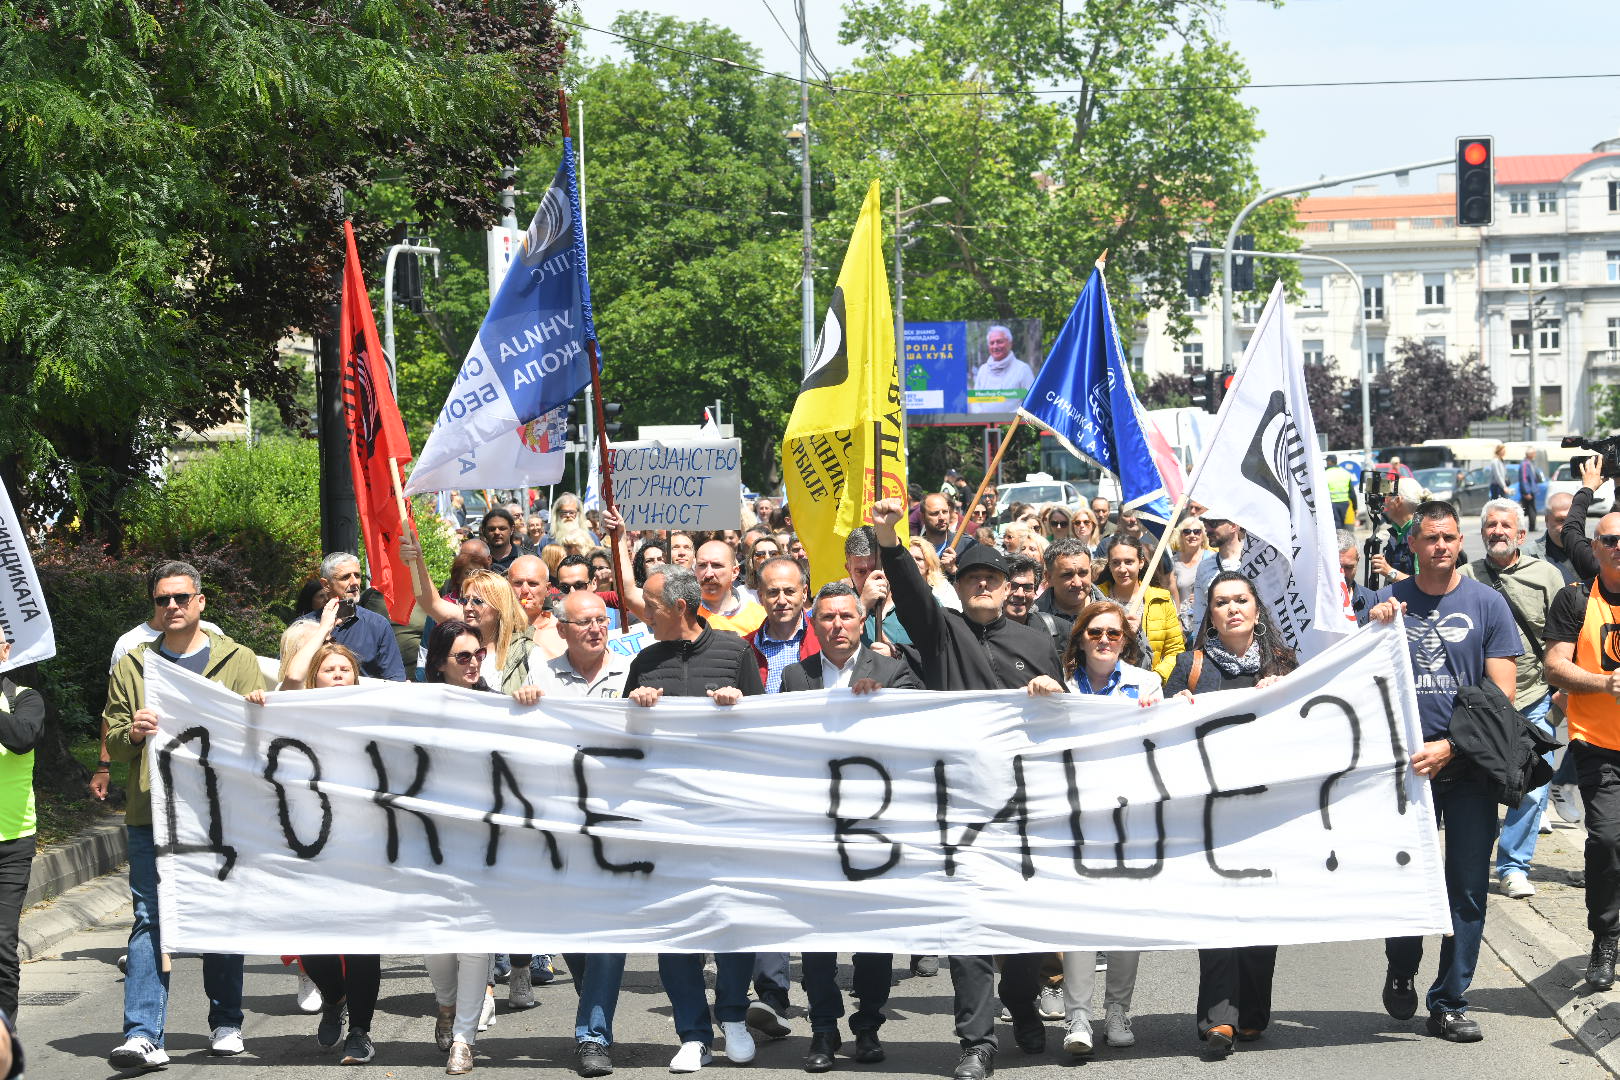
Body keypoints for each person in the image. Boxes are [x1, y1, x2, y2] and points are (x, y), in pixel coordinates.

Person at [869, 497, 1067, 1080]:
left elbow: (1064, 721)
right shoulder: (942, 633)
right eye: (973, 578)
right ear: (960, 587)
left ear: (1010, 589)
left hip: (1021, 805)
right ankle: (976, 1040)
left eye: (993, 579)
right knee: (968, 926)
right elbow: (908, 590)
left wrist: (1053, 692)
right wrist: (888, 537)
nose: (983, 585)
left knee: (1020, 920)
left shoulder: (1035, 643)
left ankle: (1024, 1006)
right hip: (955, 806)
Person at [1367, 501, 1520, 1043]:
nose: (1441, 547)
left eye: (1450, 538)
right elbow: (1355, 677)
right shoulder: (1387, 601)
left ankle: (1450, 1000)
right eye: (1431, 538)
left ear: (1461, 542)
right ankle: (1402, 962)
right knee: (1405, 879)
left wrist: (1452, 746)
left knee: (1468, 888)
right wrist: (1372, 624)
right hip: (1403, 771)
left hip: (1468, 767)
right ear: (1413, 543)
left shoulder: (1487, 604)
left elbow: (1502, 695)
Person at [104, 561, 267, 1069]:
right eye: (161, 600)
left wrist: (259, 711)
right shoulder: (133, 665)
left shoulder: (237, 659)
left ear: (200, 602)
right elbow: (110, 740)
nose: (171, 606)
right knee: (150, 918)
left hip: (219, 814)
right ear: (153, 609)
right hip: (151, 813)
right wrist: (131, 733)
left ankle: (225, 1022)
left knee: (219, 914)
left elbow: (258, 739)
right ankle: (142, 1033)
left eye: (180, 598)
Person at [624, 565, 762, 1072]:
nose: (645, 617)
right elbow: (624, 747)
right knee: (676, 927)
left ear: (680, 608)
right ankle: (693, 1033)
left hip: (726, 816)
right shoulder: (644, 660)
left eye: (651, 608)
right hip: (665, 820)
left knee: (731, 921)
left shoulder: (735, 652)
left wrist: (740, 705)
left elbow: (768, 731)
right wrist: (636, 709)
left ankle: (734, 1018)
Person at [779, 582, 921, 1071]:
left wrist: (883, 702)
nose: (836, 626)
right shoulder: (796, 678)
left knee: (873, 937)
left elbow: (921, 725)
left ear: (862, 622)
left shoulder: (890, 668)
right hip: (816, 826)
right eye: (827, 618)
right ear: (813, 625)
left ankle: (868, 1026)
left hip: (875, 825)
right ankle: (822, 1030)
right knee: (817, 939)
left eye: (845, 617)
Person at [1166, 572, 1298, 1055]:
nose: (1232, 608)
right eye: (1221, 602)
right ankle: (1218, 1018)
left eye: (1241, 599)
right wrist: (1174, 706)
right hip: (1212, 810)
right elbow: (1162, 732)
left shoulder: (1284, 664)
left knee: (1263, 915)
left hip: (1268, 809)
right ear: (1211, 615)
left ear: (1256, 609)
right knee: (1218, 912)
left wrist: (1284, 695)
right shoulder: (1191, 666)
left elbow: (1310, 729)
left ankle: (1252, 1013)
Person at [244, 617, 379, 1064]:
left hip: (361, 845)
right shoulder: (294, 711)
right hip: (305, 844)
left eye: (346, 669)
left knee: (361, 944)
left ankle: (360, 1029)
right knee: (311, 939)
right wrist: (322, 631)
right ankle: (334, 996)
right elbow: (292, 677)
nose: (339, 675)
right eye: (330, 668)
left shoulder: (373, 712)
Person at [419, 618, 540, 1074]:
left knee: (474, 940)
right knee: (435, 938)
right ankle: (446, 1005)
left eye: (478, 655)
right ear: (439, 664)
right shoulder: (416, 705)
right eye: (462, 657)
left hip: (486, 843)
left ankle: (464, 1038)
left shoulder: (496, 705)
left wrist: (525, 704)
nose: (473, 664)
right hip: (429, 841)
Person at [527, 589, 632, 1077]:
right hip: (560, 829)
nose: (595, 628)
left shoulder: (631, 673)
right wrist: (521, 705)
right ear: (562, 629)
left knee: (608, 931)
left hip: (617, 828)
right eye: (583, 622)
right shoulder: (543, 675)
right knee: (570, 929)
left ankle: (593, 1035)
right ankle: (594, 994)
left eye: (601, 620)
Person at [1053, 600, 1157, 1055]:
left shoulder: (1147, 684)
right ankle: (1078, 1015)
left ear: (1125, 641)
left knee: (1123, 915)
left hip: (1128, 816)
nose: (1104, 640)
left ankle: (1117, 1009)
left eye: (1113, 634)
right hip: (1073, 817)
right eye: (1095, 632)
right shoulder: (1059, 685)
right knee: (1077, 916)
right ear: (1080, 638)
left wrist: (1169, 708)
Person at [1458, 499, 1564, 900]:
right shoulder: (1466, 577)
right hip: (1484, 703)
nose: (1497, 530)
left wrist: (1563, 694)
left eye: (1506, 525)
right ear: (1482, 533)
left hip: (1535, 696)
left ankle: (1513, 866)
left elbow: (1566, 637)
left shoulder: (1546, 575)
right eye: (1491, 525)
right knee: (1482, 786)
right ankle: (1470, 861)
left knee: (1534, 787)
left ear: (1521, 535)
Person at [1543, 508, 1620, 992]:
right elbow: (1554, 667)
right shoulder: (1574, 600)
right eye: (1610, 539)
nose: (1619, 546)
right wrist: (1603, 683)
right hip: (1598, 744)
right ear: (1594, 548)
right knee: (1609, 841)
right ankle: (1606, 938)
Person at [402, 534, 536, 695]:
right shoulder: (464, 621)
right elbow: (432, 603)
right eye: (465, 600)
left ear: (500, 607)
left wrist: (530, 695)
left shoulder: (528, 652)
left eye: (478, 601)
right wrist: (417, 560)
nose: (467, 608)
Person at [0, 640, 41, 1025]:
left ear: (5, 650)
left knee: (1, 944)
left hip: (10, 841)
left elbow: (21, 738)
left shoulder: (23, 698)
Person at [295, 552, 406, 681]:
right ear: (326, 585)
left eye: (357, 575)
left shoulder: (378, 625)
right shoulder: (302, 626)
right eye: (345, 577)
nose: (354, 582)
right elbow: (284, 675)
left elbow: (395, 679)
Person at [1099, 536, 1183, 682]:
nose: (1122, 569)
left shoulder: (1162, 599)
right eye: (1116, 563)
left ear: (1141, 562)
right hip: (1105, 688)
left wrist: (1157, 677)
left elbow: (1174, 651)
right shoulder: (1096, 598)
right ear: (1109, 565)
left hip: (1149, 691)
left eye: (1129, 562)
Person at [746, 556, 820, 694]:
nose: (781, 600)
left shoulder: (826, 639)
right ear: (761, 597)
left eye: (789, 591)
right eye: (773, 592)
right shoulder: (744, 648)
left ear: (804, 593)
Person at [1187, 517, 1247, 634]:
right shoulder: (1204, 567)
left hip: (1257, 645)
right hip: (1218, 645)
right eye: (1205, 524)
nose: (1207, 530)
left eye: (1213, 524)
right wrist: (1198, 648)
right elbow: (1200, 613)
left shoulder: (1256, 560)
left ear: (1233, 525)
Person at [693, 541, 767, 634]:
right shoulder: (684, 615)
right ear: (695, 571)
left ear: (735, 572)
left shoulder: (759, 618)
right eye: (702, 565)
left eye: (716, 565)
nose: (708, 574)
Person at [1034, 539, 1101, 638]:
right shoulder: (1031, 618)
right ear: (1048, 577)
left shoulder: (1117, 615)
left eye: (1083, 573)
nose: (1077, 583)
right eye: (1067, 575)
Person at [1002, 554, 1067, 654]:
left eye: (1027, 587)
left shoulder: (1058, 630)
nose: (1020, 594)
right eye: (1013, 586)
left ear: (1035, 591)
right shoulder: (978, 631)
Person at [509, 554, 566, 661]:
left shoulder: (563, 633)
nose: (524, 590)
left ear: (548, 589)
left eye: (532, 584)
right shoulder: (497, 629)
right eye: (518, 583)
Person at [1369, 477, 1425, 586]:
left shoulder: (1421, 534)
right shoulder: (1398, 531)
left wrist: (1389, 572)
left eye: (1387, 496)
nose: (1384, 502)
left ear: (1398, 500)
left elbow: (1423, 583)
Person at [967, 325, 1035, 413]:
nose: (995, 346)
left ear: (1010, 343)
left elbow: (1031, 401)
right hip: (984, 424)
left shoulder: (1023, 369)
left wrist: (1009, 420)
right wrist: (981, 416)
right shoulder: (983, 370)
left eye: (999, 342)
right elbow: (975, 401)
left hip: (1014, 425)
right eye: (992, 343)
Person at [1529, 491, 1580, 584]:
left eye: (1572, 520)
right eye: (1560, 520)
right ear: (1547, 520)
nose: (1567, 527)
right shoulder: (1528, 556)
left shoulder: (1596, 551)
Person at [1171, 517, 1208, 634]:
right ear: (1181, 536)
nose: (1192, 535)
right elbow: (1169, 592)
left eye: (1197, 531)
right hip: (1181, 623)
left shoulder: (1211, 559)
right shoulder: (1173, 562)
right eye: (1187, 532)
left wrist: (1203, 596)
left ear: (1203, 536)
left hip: (1205, 620)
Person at [919, 492, 974, 568]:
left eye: (945, 512)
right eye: (935, 513)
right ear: (923, 517)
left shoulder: (966, 545)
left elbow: (977, 577)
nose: (941, 518)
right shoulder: (916, 549)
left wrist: (953, 570)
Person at [1338, 529, 1379, 626]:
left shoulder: (1372, 601)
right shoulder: (1312, 601)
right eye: (1337, 567)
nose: (1342, 573)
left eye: (1348, 567)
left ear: (1357, 560)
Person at [911, 537, 962, 610]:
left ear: (929, 564)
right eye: (909, 557)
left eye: (919, 559)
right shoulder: (892, 584)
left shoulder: (942, 588)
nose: (913, 562)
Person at [479, 508, 523, 574]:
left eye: (502, 528)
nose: (497, 532)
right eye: (492, 529)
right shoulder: (477, 559)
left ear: (512, 529)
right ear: (484, 530)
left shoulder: (526, 557)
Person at [1323, 455, 1358, 527]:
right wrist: (1355, 507)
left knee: (1336, 523)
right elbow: (1352, 493)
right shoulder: (1345, 473)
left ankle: (1338, 537)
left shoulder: (1325, 473)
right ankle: (1342, 536)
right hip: (1344, 503)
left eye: (1327, 461)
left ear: (1329, 462)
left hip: (1332, 503)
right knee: (1342, 522)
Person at [1518, 450, 1544, 532]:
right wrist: (1526, 492)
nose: (1535, 454)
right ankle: (1530, 527)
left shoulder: (1530, 463)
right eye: (1534, 453)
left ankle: (1532, 527)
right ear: (1530, 454)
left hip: (1531, 490)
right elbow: (1524, 478)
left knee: (1531, 509)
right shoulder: (1525, 464)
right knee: (1527, 509)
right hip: (1528, 491)